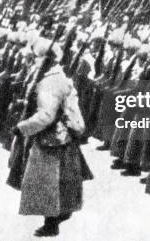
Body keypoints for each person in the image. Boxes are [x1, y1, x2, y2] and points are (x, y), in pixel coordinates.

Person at [11, 38, 92, 237]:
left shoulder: (50, 82)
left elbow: (46, 115)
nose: (33, 61)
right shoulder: (58, 77)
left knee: (49, 182)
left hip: (51, 138)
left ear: (46, 60)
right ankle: (58, 216)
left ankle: (51, 223)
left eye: (37, 58)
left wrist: (22, 128)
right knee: (60, 181)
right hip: (63, 137)